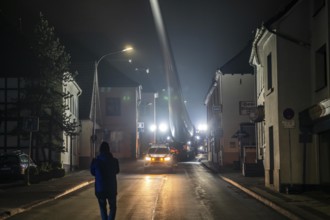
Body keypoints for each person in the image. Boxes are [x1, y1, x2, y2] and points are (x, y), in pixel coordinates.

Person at [91, 141, 120, 220]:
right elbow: (117, 171)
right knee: (113, 208)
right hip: (111, 189)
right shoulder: (114, 161)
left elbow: (93, 172)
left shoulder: (96, 161)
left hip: (100, 189)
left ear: (100, 150)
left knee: (102, 208)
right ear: (109, 150)